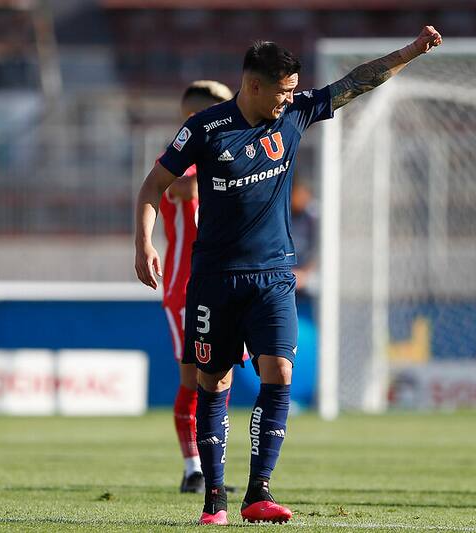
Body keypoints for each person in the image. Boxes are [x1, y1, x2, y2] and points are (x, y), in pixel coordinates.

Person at [135, 27, 443, 525]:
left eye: (292, 90)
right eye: (281, 91)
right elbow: (154, 185)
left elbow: (357, 82)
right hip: (215, 278)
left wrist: (411, 51)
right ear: (254, 86)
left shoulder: (296, 114)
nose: (288, 99)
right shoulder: (206, 130)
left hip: (274, 276)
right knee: (212, 383)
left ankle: (258, 493)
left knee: (279, 373)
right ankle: (214, 499)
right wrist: (143, 243)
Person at [159, 80, 233, 493]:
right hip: (186, 286)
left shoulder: (232, 154)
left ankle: (213, 467)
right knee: (194, 380)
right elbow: (177, 189)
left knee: (221, 380)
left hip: (230, 281)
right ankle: (193, 468)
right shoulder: (181, 159)